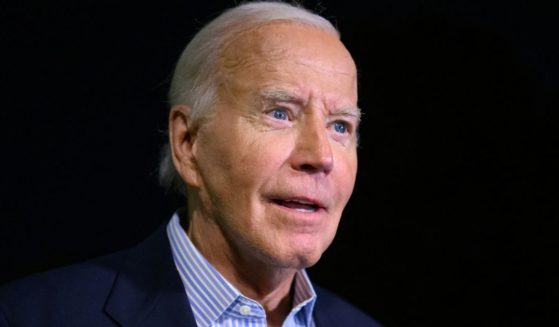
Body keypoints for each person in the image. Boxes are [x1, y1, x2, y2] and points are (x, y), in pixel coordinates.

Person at [0, 1, 382, 326]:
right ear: (187, 142)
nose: (320, 156)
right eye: (279, 113)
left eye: (340, 126)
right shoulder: (32, 315)